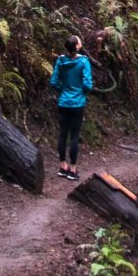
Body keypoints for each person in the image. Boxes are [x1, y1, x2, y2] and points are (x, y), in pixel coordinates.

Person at [49, 32, 93, 180]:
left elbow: (54, 82)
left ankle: (62, 167)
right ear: (77, 46)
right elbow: (87, 83)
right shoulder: (84, 62)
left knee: (62, 134)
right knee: (74, 136)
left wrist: (63, 91)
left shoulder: (61, 61)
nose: (81, 43)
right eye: (79, 42)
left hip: (63, 102)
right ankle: (73, 170)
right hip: (77, 104)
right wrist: (81, 92)